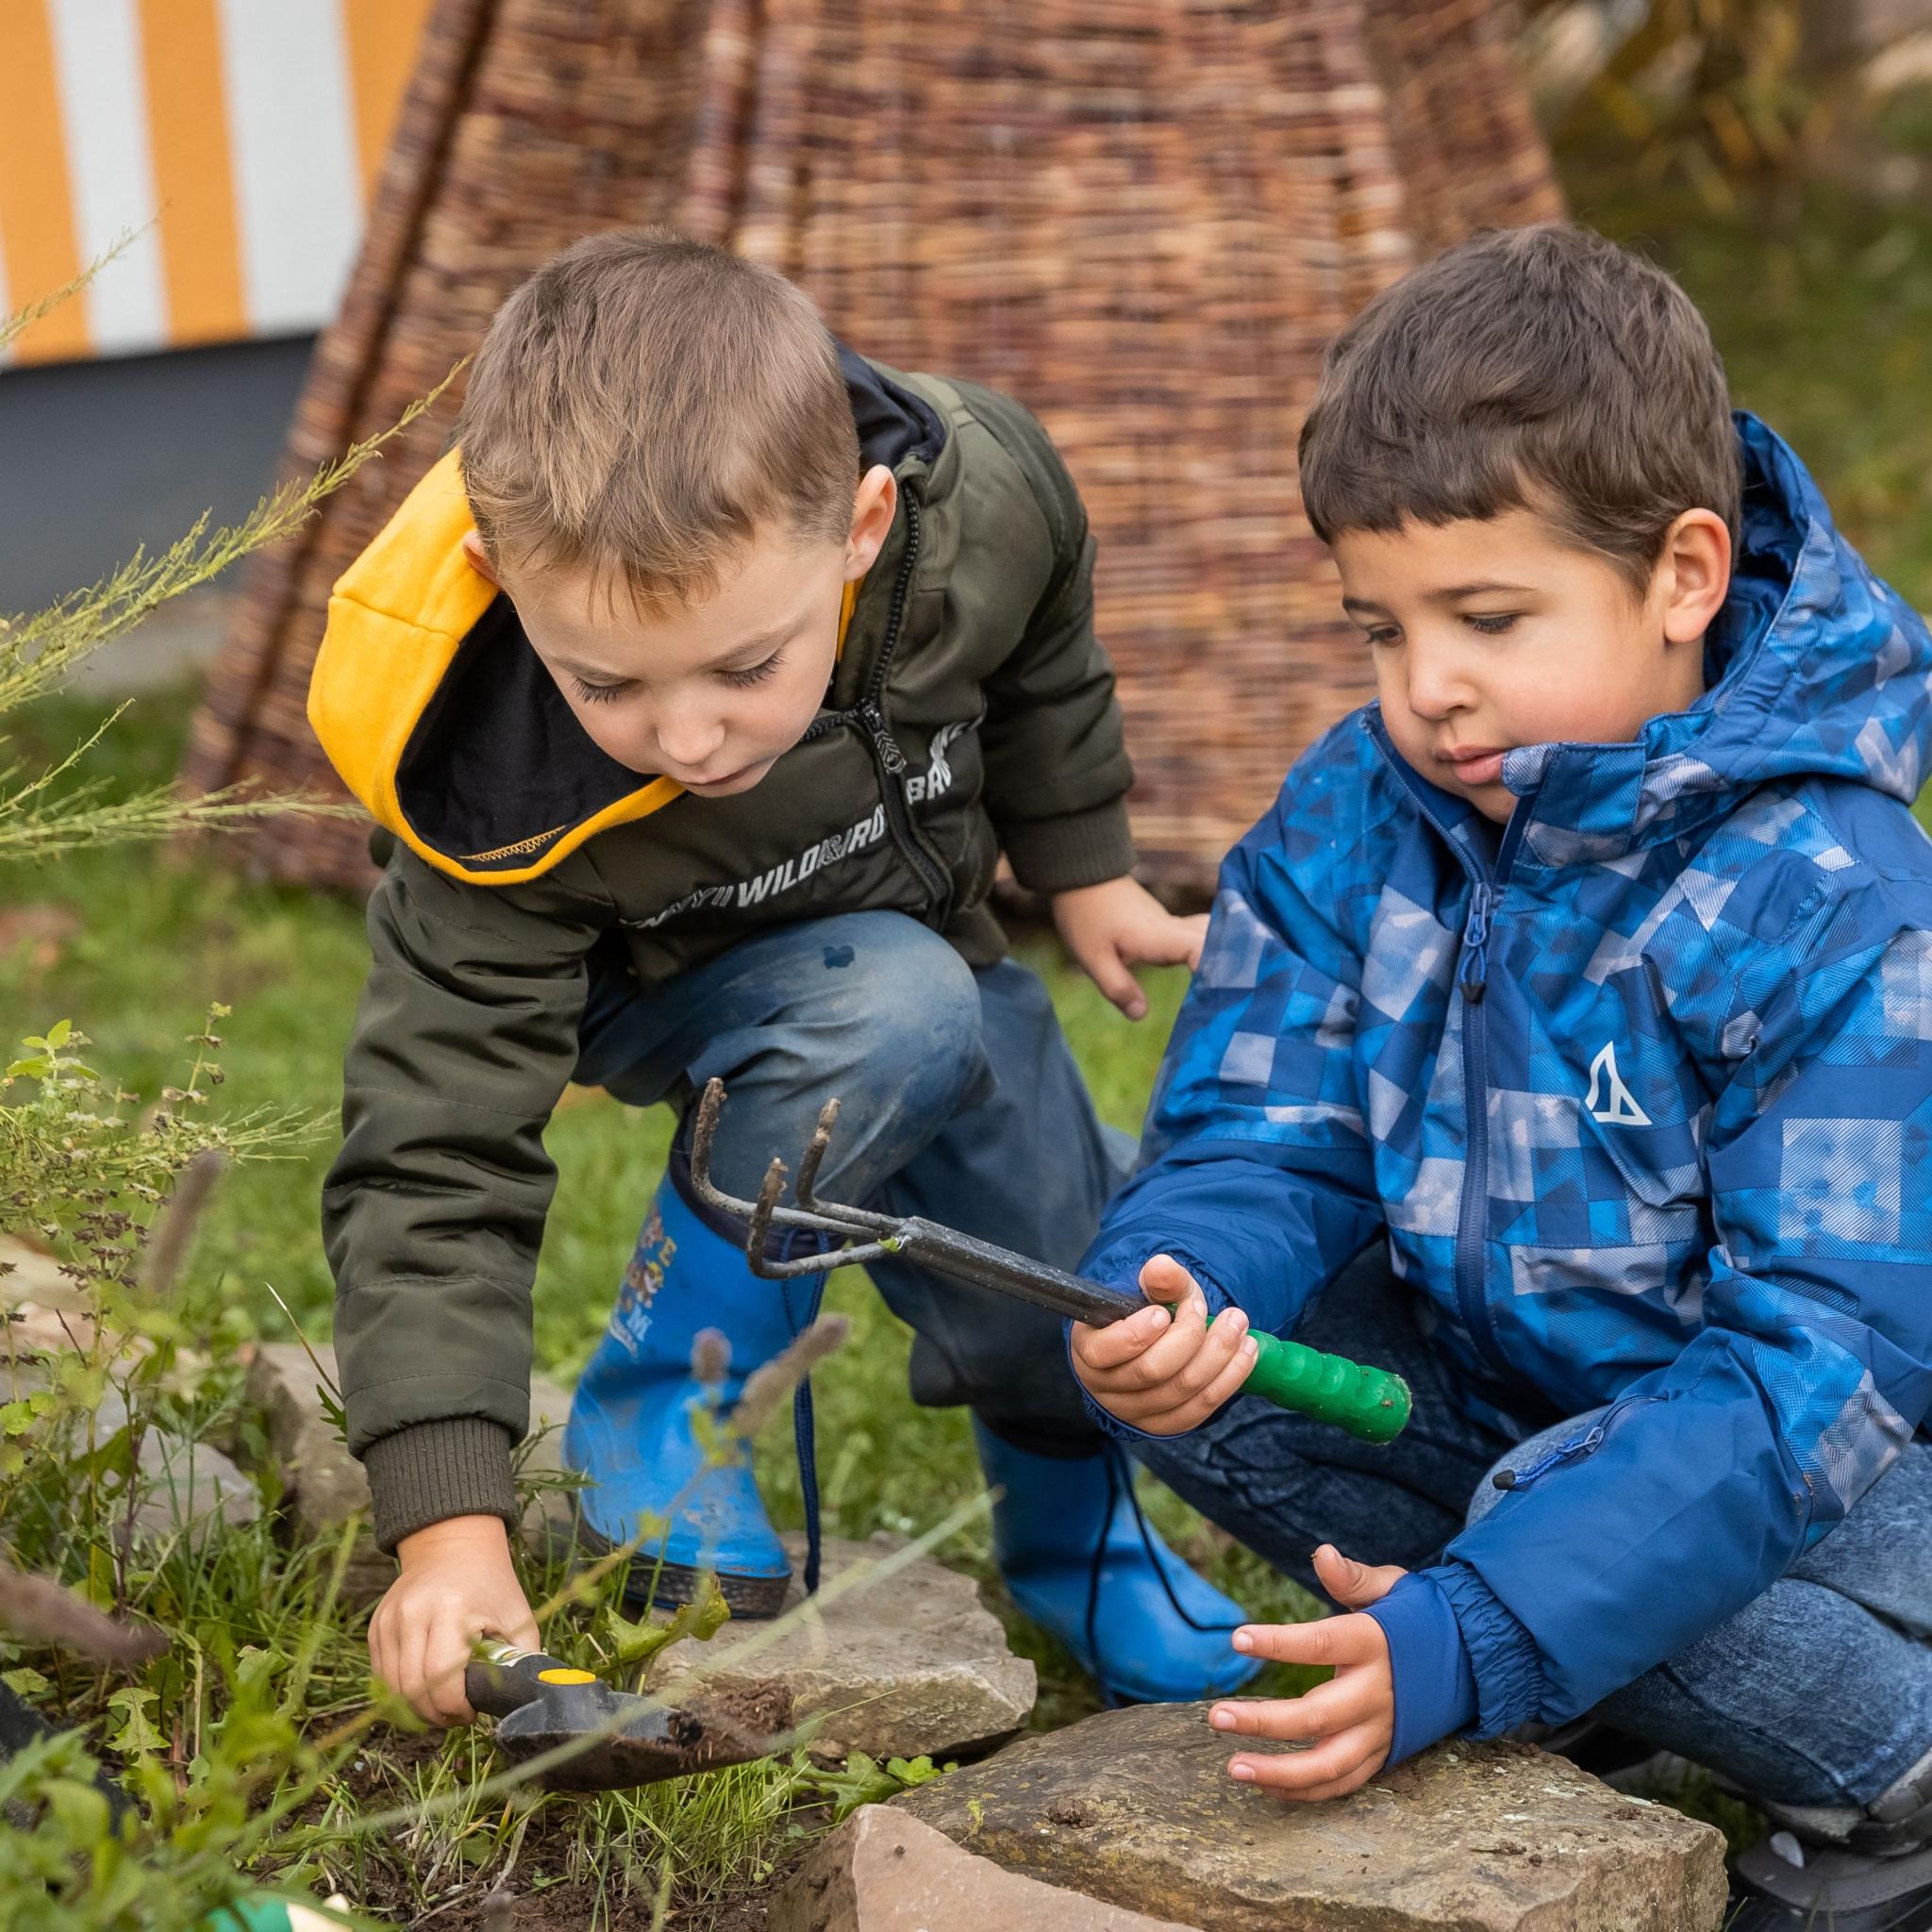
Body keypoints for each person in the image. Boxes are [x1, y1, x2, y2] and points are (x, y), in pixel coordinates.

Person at [1069, 222, 1932, 1929]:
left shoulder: (1829, 900)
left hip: (1841, 1497)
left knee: (1562, 1521)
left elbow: (1819, 1373)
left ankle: (1885, 1786)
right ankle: (1562, 1664)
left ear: (1684, 577)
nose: (1427, 690)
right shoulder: (1355, 806)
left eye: (1485, 617)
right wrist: (1195, 1273)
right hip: (1521, 1399)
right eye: (1379, 629)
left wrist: (1482, 1617)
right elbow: (1262, 1121)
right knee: (1180, 1356)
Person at [309, 228, 1261, 1732]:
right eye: (608, 684)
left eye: (742, 668)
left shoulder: (978, 499)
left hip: (908, 940)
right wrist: (449, 1536)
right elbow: (430, 1162)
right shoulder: (490, 799)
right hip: (661, 983)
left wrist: (1081, 859)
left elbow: (1047, 633)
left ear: (864, 527)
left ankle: (1079, 1545)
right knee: (895, 1002)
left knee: (1065, 1246)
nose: (686, 738)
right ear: (503, 582)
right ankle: (662, 1411)